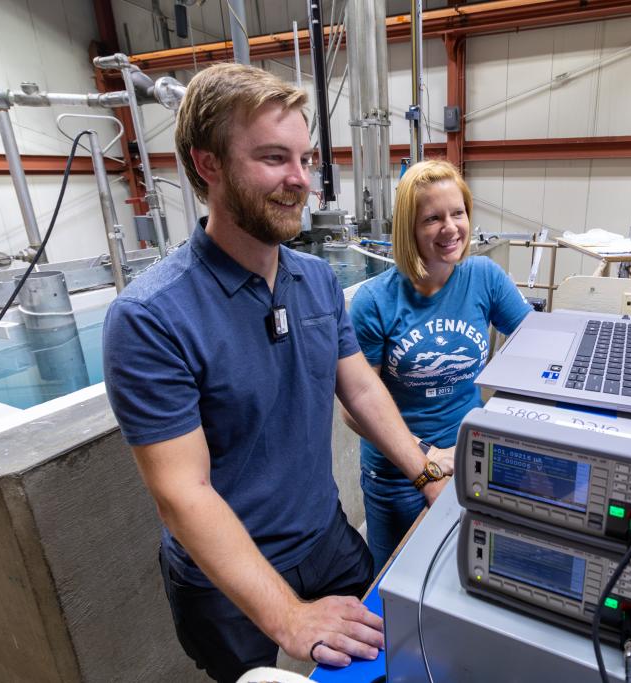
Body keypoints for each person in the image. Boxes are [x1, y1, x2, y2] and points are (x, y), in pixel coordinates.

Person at [102, 64, 450, 683]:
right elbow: (184, 494)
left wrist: (424, 470)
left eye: (305, 158)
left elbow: (360, 386)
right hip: (225, 573)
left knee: (388, 662)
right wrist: (288, 618)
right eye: (272, 158)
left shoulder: (314, 279)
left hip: (326, 537)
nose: (300, 181)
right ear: (208, 164)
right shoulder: (150, 317)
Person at [344, 160, 533, 574]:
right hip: (395, 472)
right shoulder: (374, 302)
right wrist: (427, 458)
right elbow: (354, 407)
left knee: (463, 571)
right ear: (409, 229)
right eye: (432, 218)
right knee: (397, 580)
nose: (451, 228)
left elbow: (534, 348)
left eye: (458, 213)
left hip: (468, 457)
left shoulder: (483, 276)